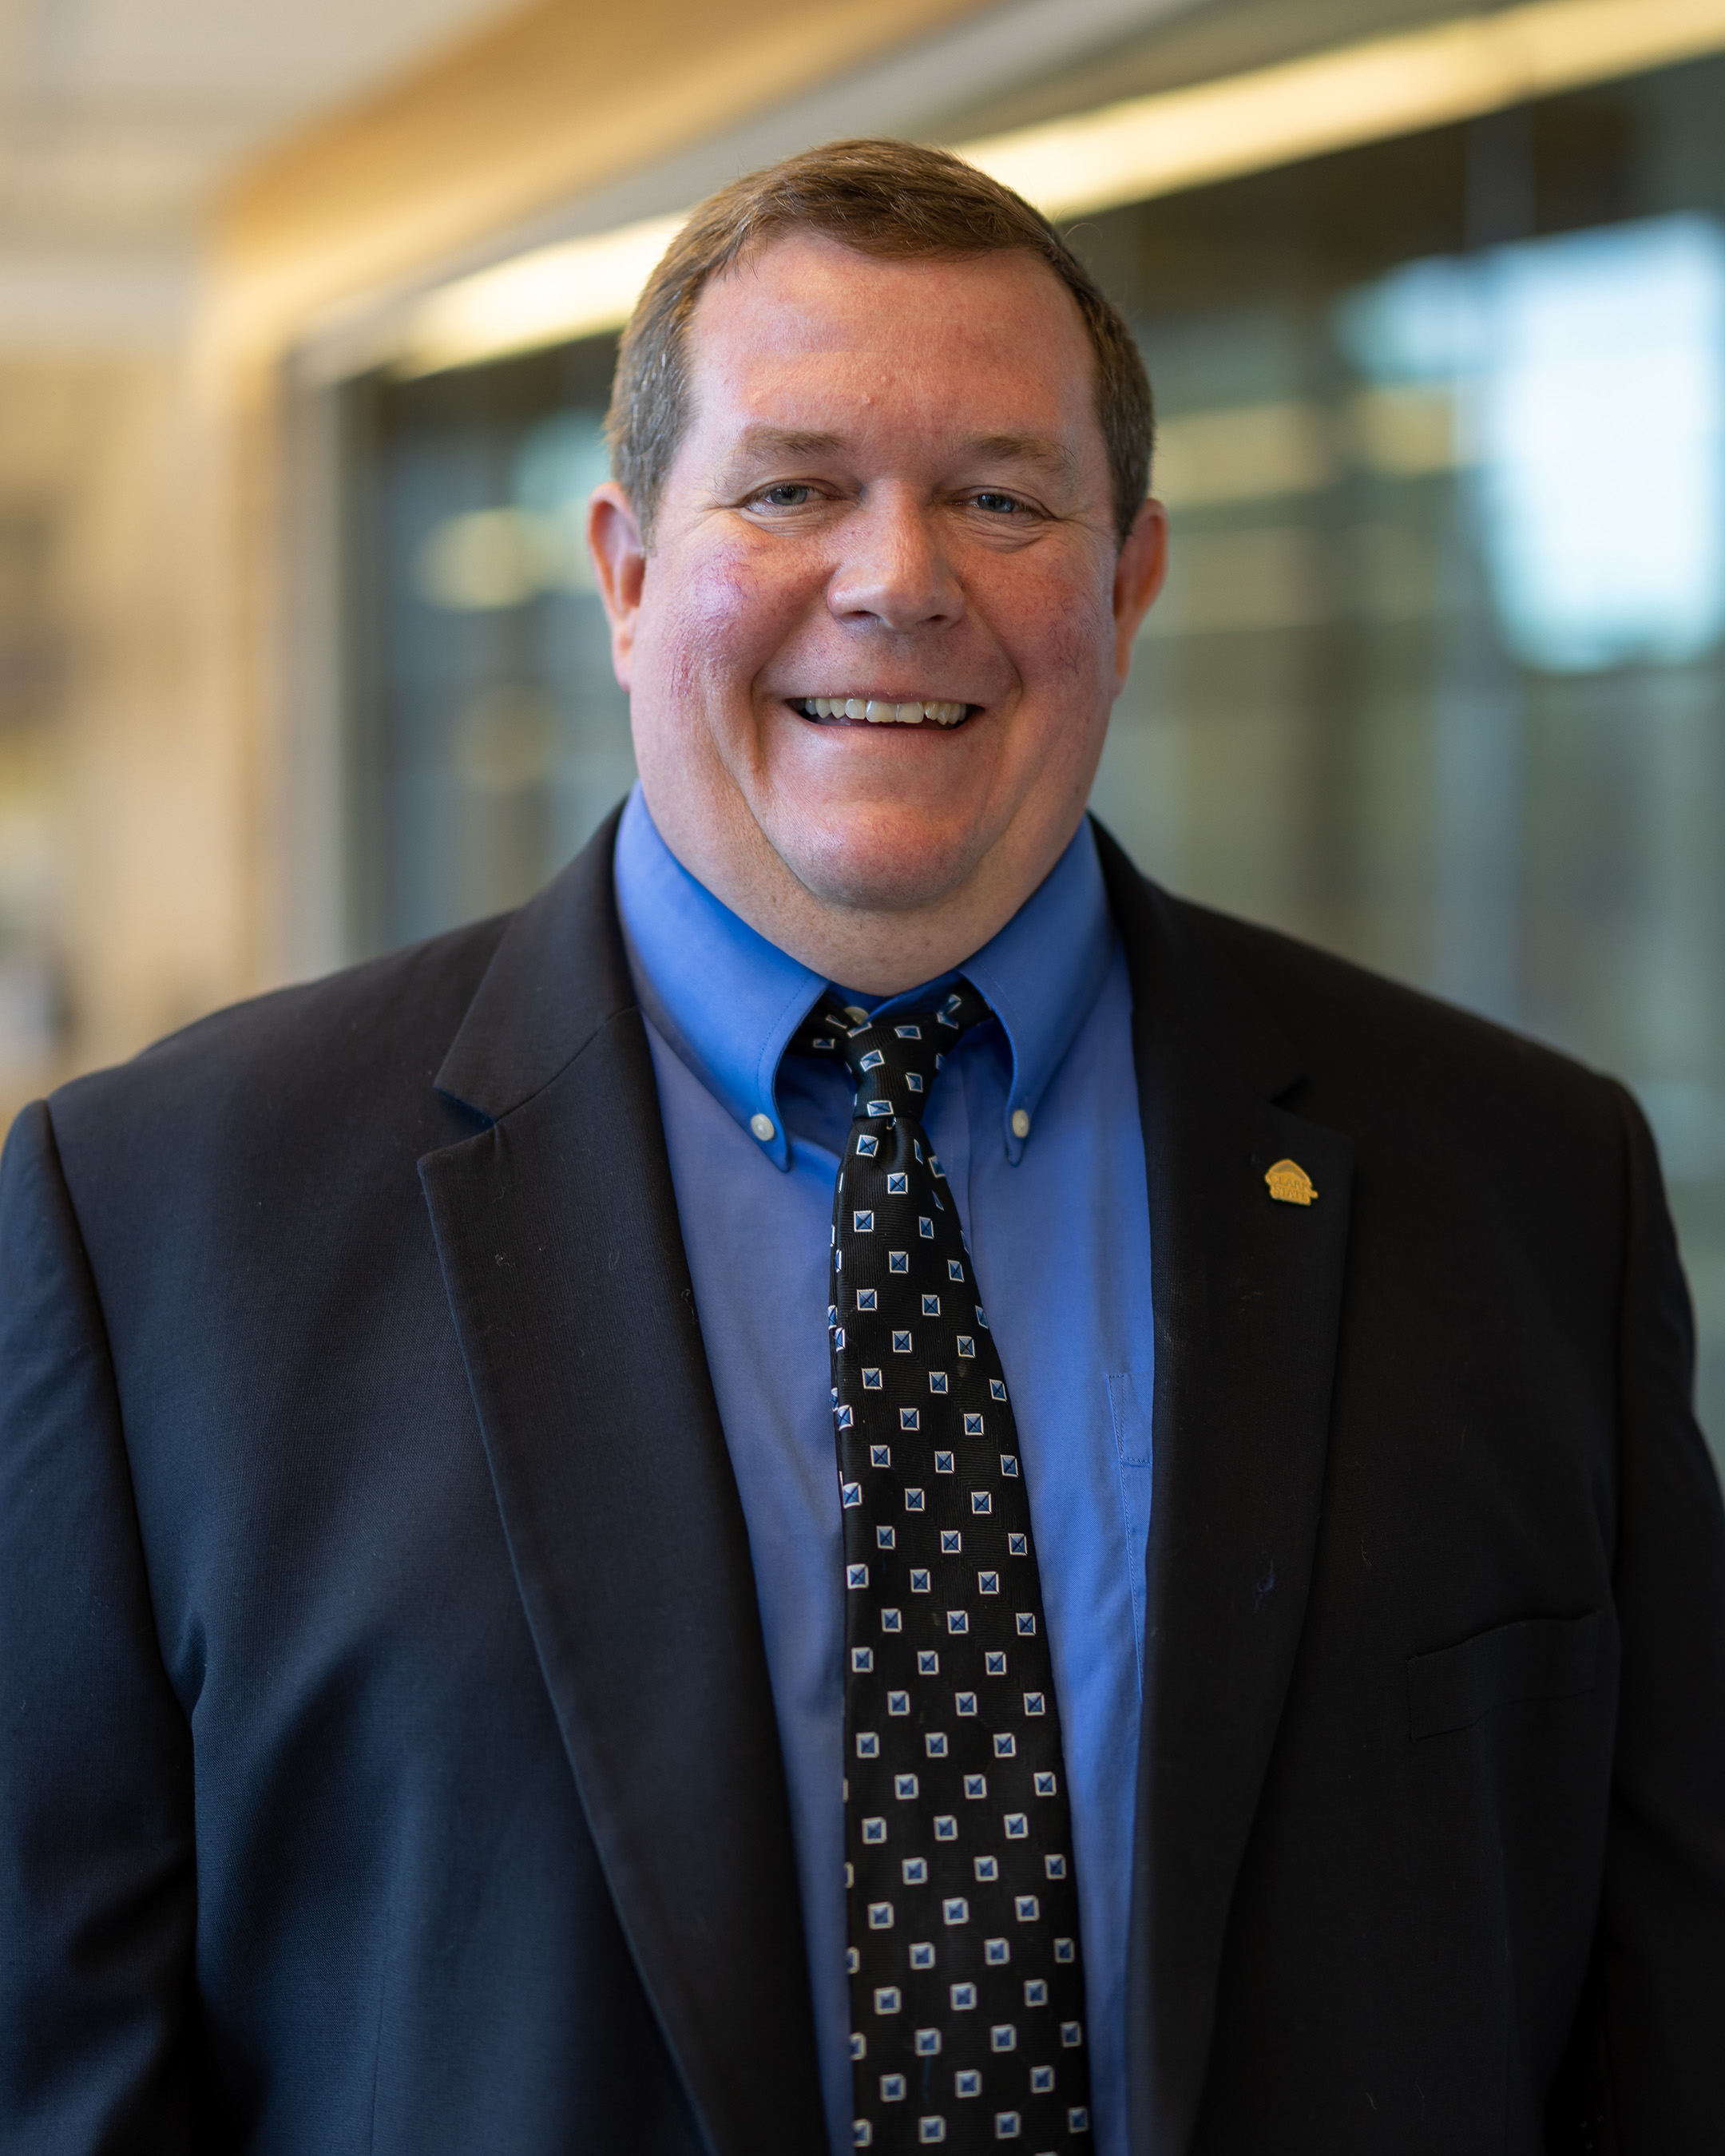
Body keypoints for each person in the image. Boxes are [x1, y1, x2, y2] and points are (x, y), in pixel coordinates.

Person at [1, 138, 1721, 2156]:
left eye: (1001, 498)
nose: (899, 580)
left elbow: (1667, 2035)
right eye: (793, 488)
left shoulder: (1527, 1192)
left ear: (1128, 583)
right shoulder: (153, 1226)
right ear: (626, 575)